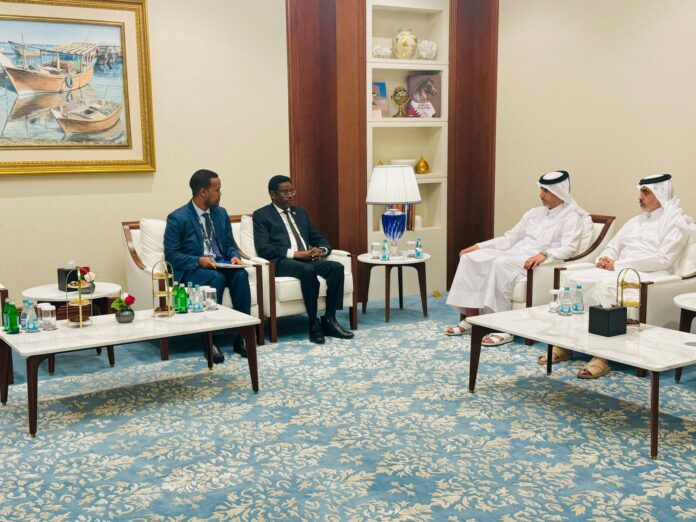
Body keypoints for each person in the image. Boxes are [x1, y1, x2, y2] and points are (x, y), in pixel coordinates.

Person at [543, 173, 691, 378]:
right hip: (620, 268)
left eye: (646, 192)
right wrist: (604, 259)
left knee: (608, 287)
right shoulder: (635, 221)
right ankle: (567, 343)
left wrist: (618, 264)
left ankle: (602, 356)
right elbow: (613, 246)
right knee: (577, 280)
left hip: (651, 274)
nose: (640, 197)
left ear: (661, 193)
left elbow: (663, 259)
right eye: (640, 192)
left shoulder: (677, 223)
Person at [445, 171, 589, 345]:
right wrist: (479, 246)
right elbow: (510, 238)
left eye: (545, 191)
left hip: (535, 260)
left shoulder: (572, 218)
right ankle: (471, 318)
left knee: (500, 263)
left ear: (559, 192)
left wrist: (544, 254)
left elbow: (569, 248)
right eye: (541, 189)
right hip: (515, 253)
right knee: (470, 258)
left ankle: (503, 327)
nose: (540, 195)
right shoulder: (534, 213)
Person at [252, 175, 354, 344]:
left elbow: (319, 238)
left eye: (292, 191)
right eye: (285, 192)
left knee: (336, 268)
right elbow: (264, 248)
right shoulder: (262, 215)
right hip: (282, 262)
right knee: (308, 270)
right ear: (273, 194)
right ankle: (313, 322)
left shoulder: (300, 213)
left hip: (308, 259)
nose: (290, 195)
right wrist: (296, 254)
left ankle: (330, 319)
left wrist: (321, 250)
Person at [164, 169, 251, 363]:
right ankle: (211, 340)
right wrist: (198, 260)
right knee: (215, 278)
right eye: (217, 189)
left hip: (221, 265)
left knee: (241, 275)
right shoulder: (178, 217)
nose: (220, 193)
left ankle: (242, 336)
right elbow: (171, 255)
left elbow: (229, 244)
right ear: (203, 192)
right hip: (194, 270)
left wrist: (234, 256)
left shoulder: (221, 213)